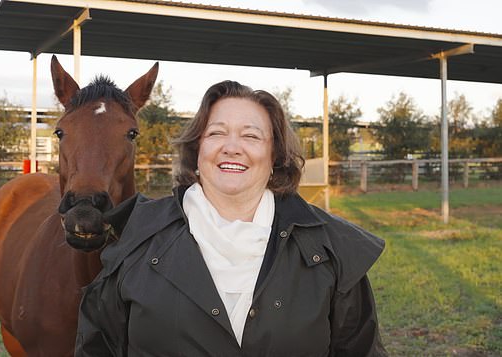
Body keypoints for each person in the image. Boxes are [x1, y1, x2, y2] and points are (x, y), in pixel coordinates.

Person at [76, 80, 387, 356]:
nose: (232, 147)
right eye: (217, 133)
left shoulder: (331, 248)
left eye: (251, 136)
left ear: (275, 154)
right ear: (198, 148)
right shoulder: (135, 237)